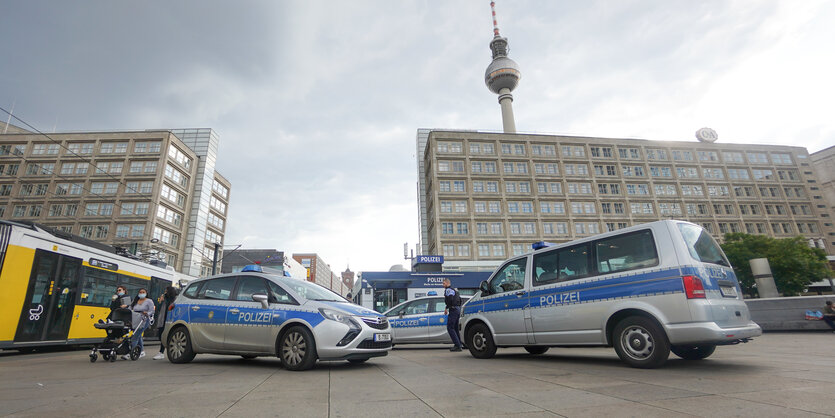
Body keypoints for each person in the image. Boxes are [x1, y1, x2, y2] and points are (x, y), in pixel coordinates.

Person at [123, 288, 155, 360]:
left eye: (143, 292)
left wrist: (147, 313)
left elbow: (152, 310)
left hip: (144, 320)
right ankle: (142, 351)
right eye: (140, 292)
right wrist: (125, 308)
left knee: (135, 336)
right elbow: (130, 308)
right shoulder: (135, 301)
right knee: (138, 335)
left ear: (146, 293)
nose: (141, 293)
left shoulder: (149, 301)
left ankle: (132, 352)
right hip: (135, 319)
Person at [153, 286, 178, 360]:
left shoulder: (175, 300)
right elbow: (158, 309)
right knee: (161, 335)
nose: (164, 292)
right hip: (162, 319)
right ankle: (163, 351)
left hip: (170, 320)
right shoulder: (164, 299)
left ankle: (161, 352)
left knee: (165, 335)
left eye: (166, 291)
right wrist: (160, 301)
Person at [443, 278, 463, 352]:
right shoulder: (455, 290)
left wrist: (447, 307)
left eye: (444, 283)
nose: (443, 285)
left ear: (448, 283)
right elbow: (459, 300)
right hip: (457, 309)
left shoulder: (448, 290)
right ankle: (459, 344)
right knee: (455, 328)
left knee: (450, 328)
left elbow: (450, 299)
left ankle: (457, 345)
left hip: (453, 310)